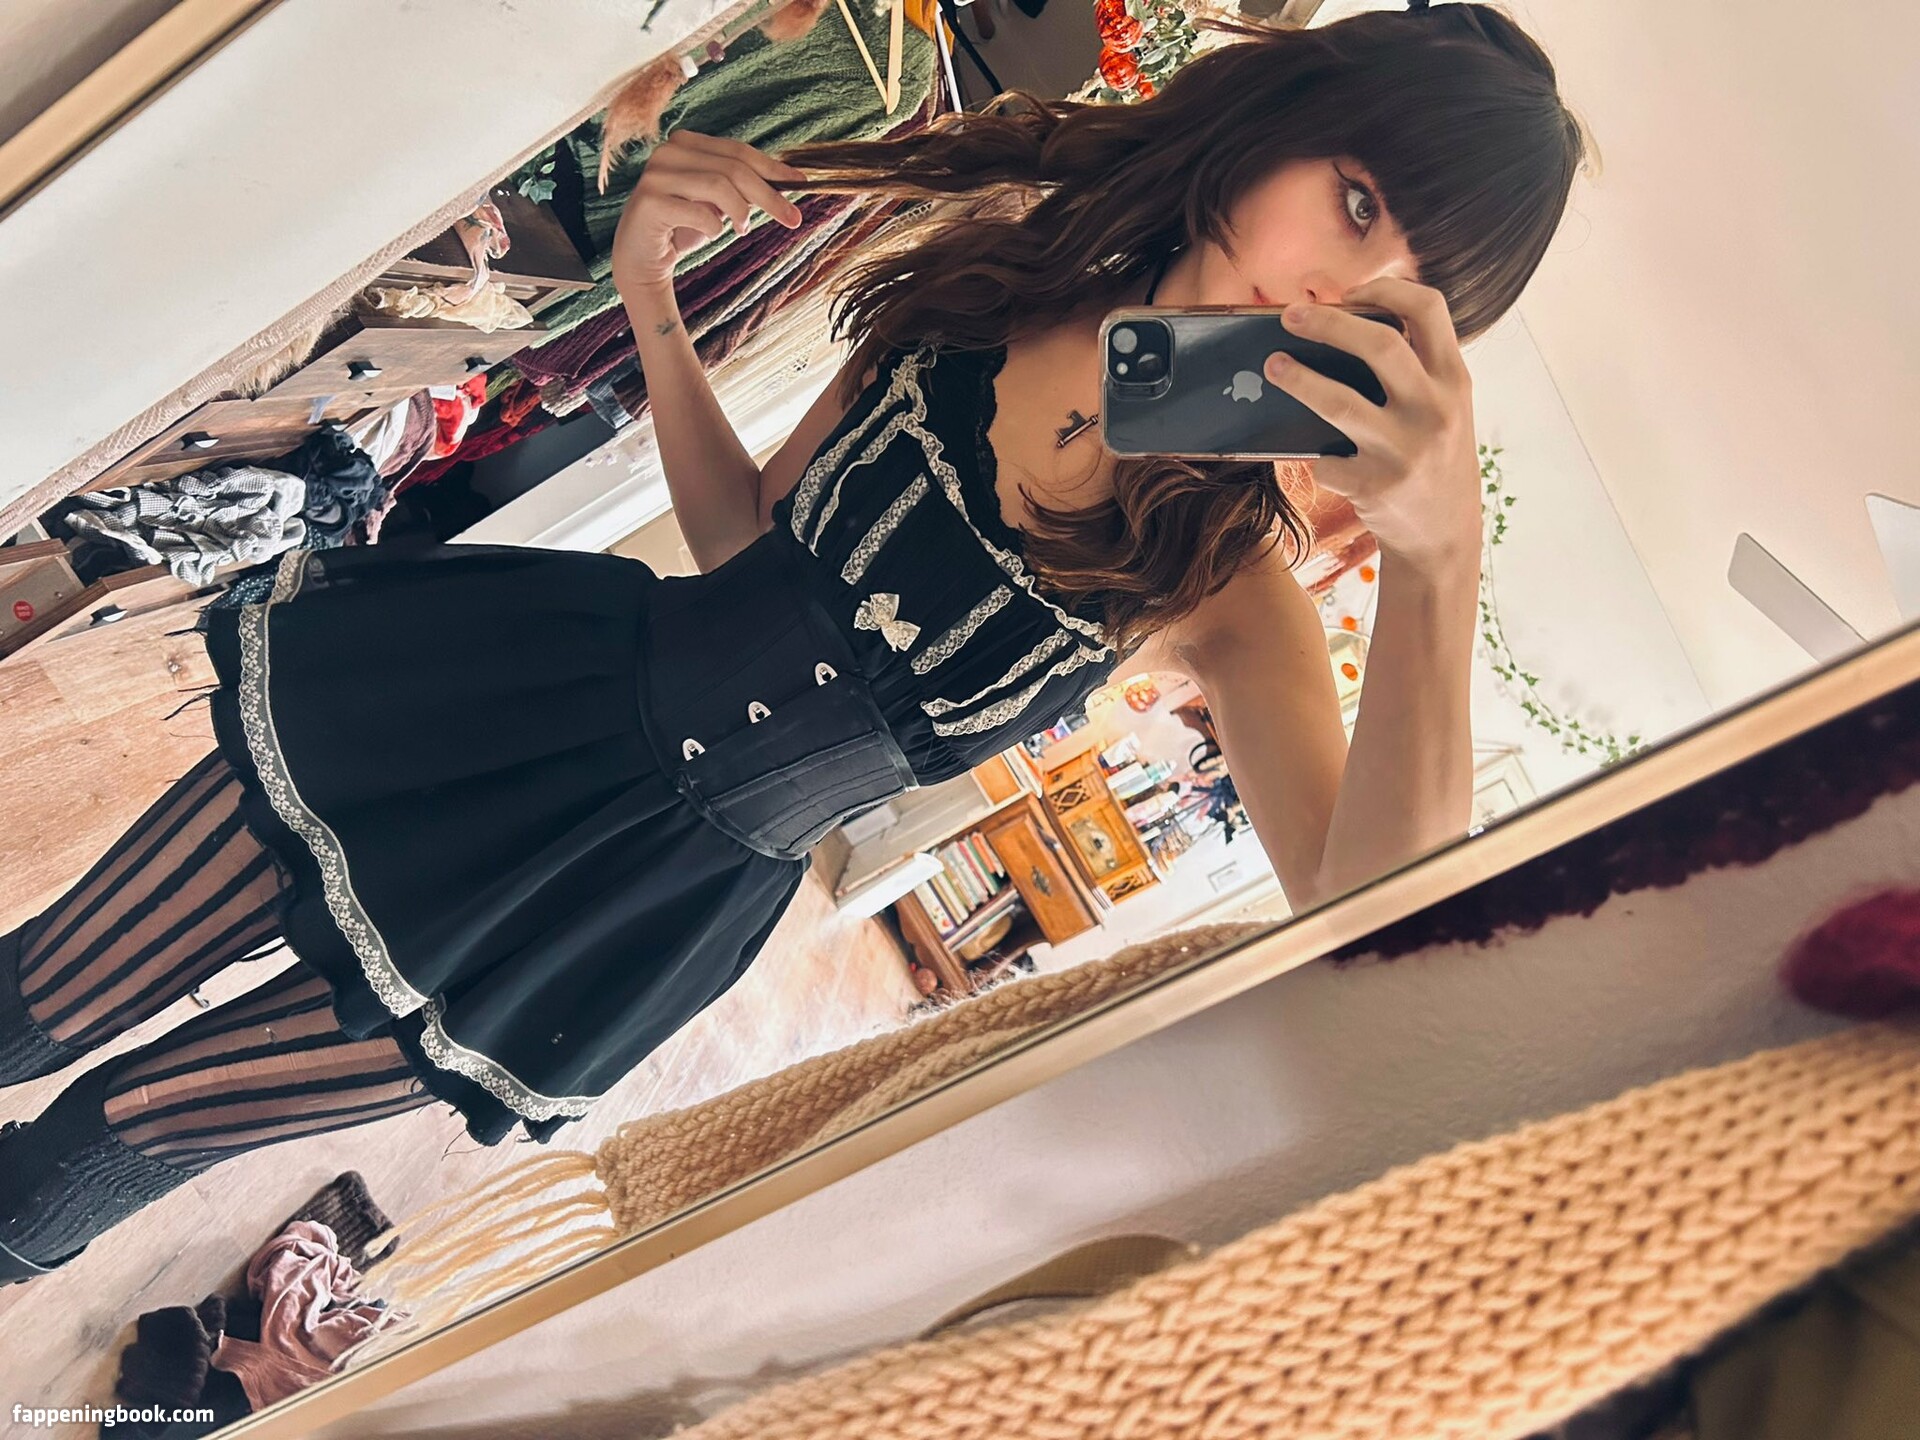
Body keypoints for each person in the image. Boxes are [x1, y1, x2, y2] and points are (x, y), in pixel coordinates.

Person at [1, 2, 1584, 1284]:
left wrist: (1439, 566)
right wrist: (648, 287)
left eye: (1410, 290)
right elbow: (747, 538)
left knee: (129, 1132)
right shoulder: (1000, 279)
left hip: (629, 905)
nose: (1340, 281)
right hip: (515, 696)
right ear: (1279, 121)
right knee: (48, 991)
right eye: (1358, 201)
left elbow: (1379, 955)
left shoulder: (1225, 580)